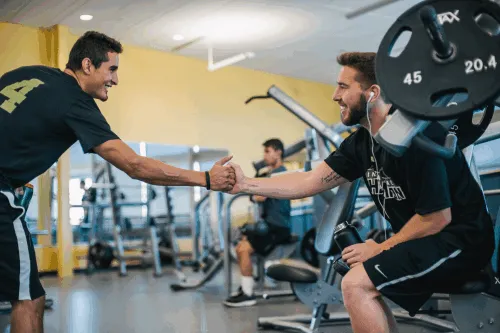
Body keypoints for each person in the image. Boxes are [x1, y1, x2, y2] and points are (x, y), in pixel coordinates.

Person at [227, 52, 495, 333]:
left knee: (356, 284)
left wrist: (379, 247)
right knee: (358, 280)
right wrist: (246, 184)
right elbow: (308, 180)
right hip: (429, 241)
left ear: (372, 92)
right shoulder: (361, 143)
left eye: (343, 87)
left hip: (461, 242)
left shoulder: (418, 137)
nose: (334, 95)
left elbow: (437, 217)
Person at [0, 31, 235, 333]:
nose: (115, 80)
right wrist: (205, 178)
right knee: (30, 300)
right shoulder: (76, 102)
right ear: (87, 65)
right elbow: (135, 165)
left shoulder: (30, 74)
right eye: (112, 69)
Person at [223, 138, 291, 308]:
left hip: (279, 228)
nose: (265, 155)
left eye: (268, 151)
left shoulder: (280, 173)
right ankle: (246, 288)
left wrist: (251, 192)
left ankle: (248, 294)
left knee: (243, 248)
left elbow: (260, 196)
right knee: (241, 244)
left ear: (278, 152)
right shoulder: (270, 173)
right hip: (270, 225)